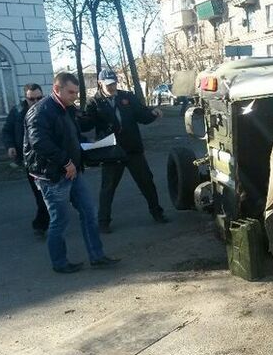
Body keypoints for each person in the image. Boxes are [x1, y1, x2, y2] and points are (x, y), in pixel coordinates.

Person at [24, 72, 120, 273]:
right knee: (60, 220)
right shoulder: (40, 111)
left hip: (73, 172)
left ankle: (97, 256)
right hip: (52, 176)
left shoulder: (67, 109)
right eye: (71, 92)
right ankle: (59, 263)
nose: (75, 96)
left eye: (77, 92)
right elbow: (39, 143)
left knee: (89, 213)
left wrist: (89, 145)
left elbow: (72, 135)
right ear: (56, 89)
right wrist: (66, 161)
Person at [81, 69, 168, 233]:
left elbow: (142, 115)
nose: (112, 87)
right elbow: (87, 123)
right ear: (100, 84)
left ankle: (157, 213)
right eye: (108, 84)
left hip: (132, 148)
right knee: (108, 187)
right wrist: (77, 119)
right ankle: (103, 222)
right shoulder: (95, 102)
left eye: (114, 83)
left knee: (146, 182)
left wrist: (152, 113)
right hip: (111, 152)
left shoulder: (126, 97)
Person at [2, 83, 49, 237]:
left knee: (51, 194)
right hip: (30, 162)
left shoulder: (48, 110)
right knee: (40, 194)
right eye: (31, 99)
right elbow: (7, 130)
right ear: (25, 98)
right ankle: (41, 225)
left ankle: (48, 220)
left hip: (49, 159)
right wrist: (10, 146)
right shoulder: (17, 111)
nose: (36, 102)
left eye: (39, 98)